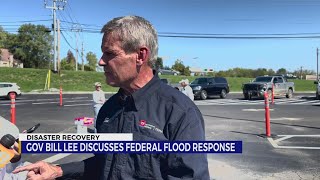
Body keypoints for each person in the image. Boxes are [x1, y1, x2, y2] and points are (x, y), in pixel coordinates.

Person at [13, 15, 210, 180]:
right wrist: (58, 170)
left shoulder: (179, 112)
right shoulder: (108, 110)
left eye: (110, 54)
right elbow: (103, 164)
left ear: (140, 56)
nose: (101, 61)